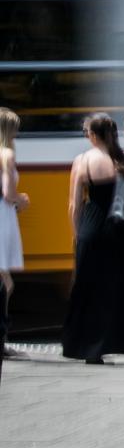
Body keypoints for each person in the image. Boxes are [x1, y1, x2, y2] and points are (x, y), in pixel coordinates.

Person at [61, 114, 124, 365]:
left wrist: (77, 236)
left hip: (92, 231)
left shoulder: (82, 161)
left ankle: (92, 349)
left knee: (92, 289)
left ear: (93, 136)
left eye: (86, 133)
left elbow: (74, 205)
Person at [0, 108, 29, 360]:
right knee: (4, 283)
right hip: (3, 216)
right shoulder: (6, 154)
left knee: (4, 281)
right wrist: (22, 199)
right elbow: (8, 193)